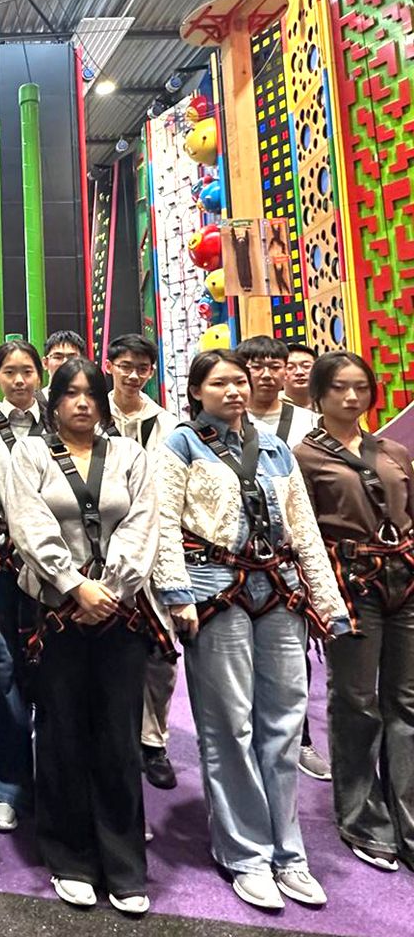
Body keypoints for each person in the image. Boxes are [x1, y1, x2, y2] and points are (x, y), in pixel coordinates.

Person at [153, 350, 349, 912]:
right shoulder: (180, 444)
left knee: (284, 721)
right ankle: (245, 852)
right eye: (220, 383)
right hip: (216, 589)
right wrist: (176, 592)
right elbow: (164, 521)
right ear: (196, 391)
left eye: (239, 381)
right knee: (229, 725)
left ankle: (289, 851)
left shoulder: (275, 447)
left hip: (281, 588)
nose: (235, 390)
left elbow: (303, 528)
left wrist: (328, 602)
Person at [7, 358, 163, 915]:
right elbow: (28, 524)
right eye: (70, 393)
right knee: (61, 729)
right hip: (55, 610)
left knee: (118, 734)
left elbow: (144, 524)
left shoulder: (129, 455)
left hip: (119, 612)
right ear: (54, 403)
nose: (81, 402)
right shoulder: (30, 454)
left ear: (102, 401)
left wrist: (111, 589)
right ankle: (69, 856)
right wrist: (74, 585)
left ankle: (123, 862)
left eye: (90, 393)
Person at [294, 352, 414, 874]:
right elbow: (301, 532)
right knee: (356, 702)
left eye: (361, 387)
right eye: (340, 387)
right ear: (319, 394)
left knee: (407, 702)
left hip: (405, 583)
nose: (351, 397)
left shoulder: (392, 451)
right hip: (350, 586)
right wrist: (320, 598)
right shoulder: (303, 456)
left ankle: (408, 817)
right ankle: (363, 818)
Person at [238, 334, 327, 779]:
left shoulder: (309, 422)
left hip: (293, 555)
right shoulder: (222, 422)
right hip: (238, 560)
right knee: (240, 658)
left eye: (275, 364)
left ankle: (300, 740)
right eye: (256, 365)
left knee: (294, 654)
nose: (267, 373)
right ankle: (250, 741)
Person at [0, 340, 45, 832]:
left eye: (27, 371)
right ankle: (0, 783)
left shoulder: (58, 422)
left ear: (40, 375)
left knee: (54, 670)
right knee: (1, 668)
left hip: (58, 567)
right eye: (10, 372)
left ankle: (57, 777)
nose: (19, 381)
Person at [104, 333, 180, 792]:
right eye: (125, 366)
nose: (133, 375)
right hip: (101, 552)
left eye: (142, 368)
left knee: (160, 652)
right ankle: (112, 736)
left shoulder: (168, 425)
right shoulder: (93, 415)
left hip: (156, 550)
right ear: (109, 365)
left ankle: (154, 741)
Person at [283, 343, 317, 410]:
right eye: (290, 367)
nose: (299, 372)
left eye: (306, 366)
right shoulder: (271, 405)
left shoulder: (329, 403)